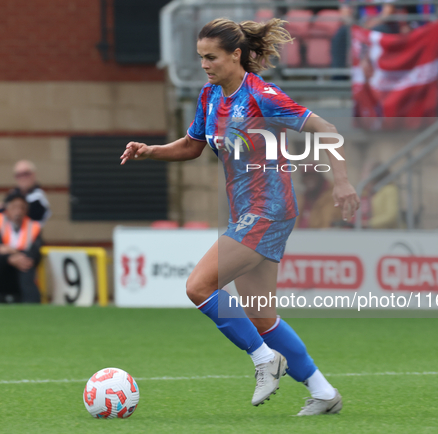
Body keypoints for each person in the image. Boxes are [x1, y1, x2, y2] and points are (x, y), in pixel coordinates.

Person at [120, 18, 359, 416]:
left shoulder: (262, 95)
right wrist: (151, 151)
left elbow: (325, 128)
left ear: (236, 55)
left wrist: (343, 182)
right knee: (262, 317)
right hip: (247, 213)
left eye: (211, 57)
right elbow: (193, 145)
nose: (205, 65)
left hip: (268, 211)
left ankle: (265, 360)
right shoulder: (210, 96)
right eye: (200, 58)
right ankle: (323, 392)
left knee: (198, 286)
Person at [0, 160, 52, 225]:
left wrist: (7, 207)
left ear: (33, 175)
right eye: (19, 175)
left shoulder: (38, 196)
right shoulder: (13, 193)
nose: (23, 178)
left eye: (26, 174)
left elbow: (31, 214)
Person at [359, 163, 400, 229]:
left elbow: (391, 216)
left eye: (365, 172)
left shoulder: (389, 189)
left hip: (385, 233)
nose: (362, 175)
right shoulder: (365, 191)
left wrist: (368, 223)